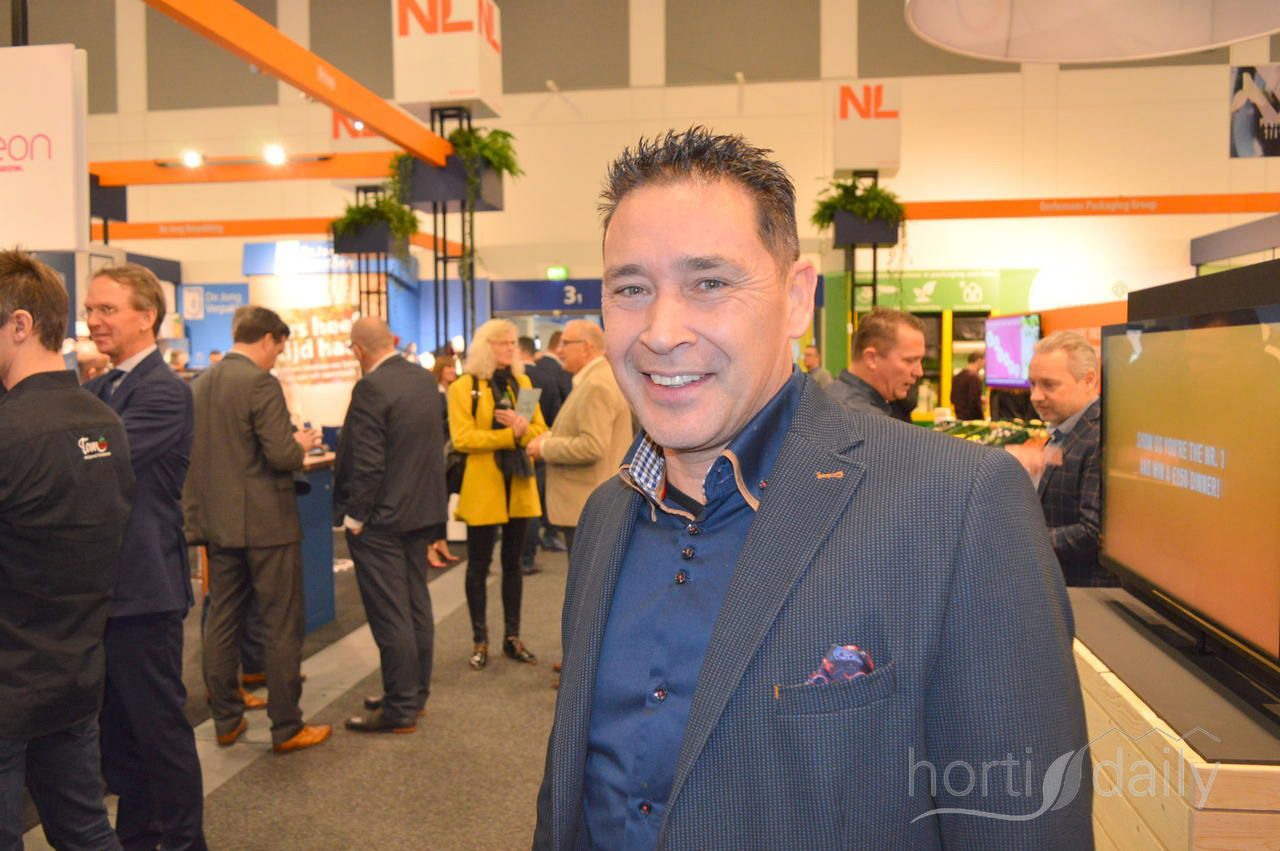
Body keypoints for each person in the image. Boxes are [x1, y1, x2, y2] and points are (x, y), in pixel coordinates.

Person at [534, 128, 1090, 850]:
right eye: (632, 289)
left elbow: (1024, 825)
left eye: (710, 283)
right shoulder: (607, 517)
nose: (661, 331)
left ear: (797, 299)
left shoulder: (957, 507)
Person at [0, 249, 134, 850]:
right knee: (85, 832)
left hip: (11, 675)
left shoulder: (12, 431)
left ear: (21, 324)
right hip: (73, 671)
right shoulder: (105, 422)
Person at [83, 264, 206, 850]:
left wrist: (78, 444)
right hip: (106, 590)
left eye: (107, 309)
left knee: (159, 735)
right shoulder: (98, 390)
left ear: (146, 317)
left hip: (145, 591)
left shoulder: (163, 391)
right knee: (119, 739)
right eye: (90, 309)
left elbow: (100, 460)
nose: (93, 320)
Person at [183, 306, 331, 754]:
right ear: (268, 339)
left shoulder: (199, 384)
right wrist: (299, 443)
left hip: (218, 523)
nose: (277, 357)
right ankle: (286, 725)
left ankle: (226, 718)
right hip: (268, 524)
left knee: (221, 618)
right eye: (279, 349)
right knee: (281, 623)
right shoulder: (260, 383)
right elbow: (281, 455)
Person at [335, 318, 448, 734]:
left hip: (381, 519)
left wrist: (355, 516)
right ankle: (413, 696)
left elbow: (368, 462)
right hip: (420, 512)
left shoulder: (371, 387)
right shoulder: (423, 380)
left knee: (390, 614)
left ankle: (399, 707)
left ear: (358, 350)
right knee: (415, 604)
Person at [447, 318, 548, 670]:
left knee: (513, 565)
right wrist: (510, 436)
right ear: (485, 347)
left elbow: (539, 428)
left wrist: (522, 428)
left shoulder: (523, 383)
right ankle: (480, 640)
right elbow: (462, 438)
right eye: (502, 343)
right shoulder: (464, 387)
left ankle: (511, 638)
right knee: (478, 565)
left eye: (512, 343)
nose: (510, 348)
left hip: (518, 483)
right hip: (484, 487)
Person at [526, 319, 632, 556]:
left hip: (586, 505)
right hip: (591, 504)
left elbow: (592, 445)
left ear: (586, 347)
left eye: (565, 343)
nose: (559, 350)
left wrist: (545, 448)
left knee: (585, 577)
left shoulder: (596, 384)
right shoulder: (597, 379)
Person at [1023, 331, 1117, 587]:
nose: (1035, 396)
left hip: (1084, 592)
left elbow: (1092, 532)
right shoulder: (1065, 429)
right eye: (1032, 384)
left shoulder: (1102, 437)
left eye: (1049, 385)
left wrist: (1023, 540)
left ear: (1088, 380)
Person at [518, 336, 566, 574]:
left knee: (524, 507)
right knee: (534, 504)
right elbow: (557, 415)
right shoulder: (548, 378)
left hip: (518, 451)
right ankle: (528, 556)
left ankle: (521, 557)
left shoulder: (516, 380)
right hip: (543, 445)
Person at [827, 307, 926, 418]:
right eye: (909, 360)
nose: (919, 372)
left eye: (920, 360)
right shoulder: (862, 418)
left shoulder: (835, 396)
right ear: (871, 358)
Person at [429, 356, 462, 568]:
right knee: (435, 500)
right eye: (447, 367)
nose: (451, 370)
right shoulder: (435, 394)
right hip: (438, 451)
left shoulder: (453, 392)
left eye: (453, 367)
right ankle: (431, 546)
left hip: (452, 452)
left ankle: (441, 542)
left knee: (444, 499)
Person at [951, 351, 986, 420]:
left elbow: (952, 399)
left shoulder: (957, 377)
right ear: (979, 361)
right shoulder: (974, 377)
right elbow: (974, 401)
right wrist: (982, 419)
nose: (983, 365)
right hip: (972, 420)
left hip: (959, 418)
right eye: (983, 363)